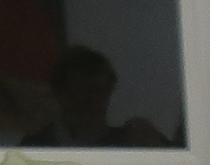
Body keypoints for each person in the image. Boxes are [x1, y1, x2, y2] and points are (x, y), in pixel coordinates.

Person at [27, 44, 176, 148]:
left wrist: (155, 146)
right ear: (61, 94)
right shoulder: (35, 147)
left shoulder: (132, 141)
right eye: (86, 90)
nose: (94, 100)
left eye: (102, 90)